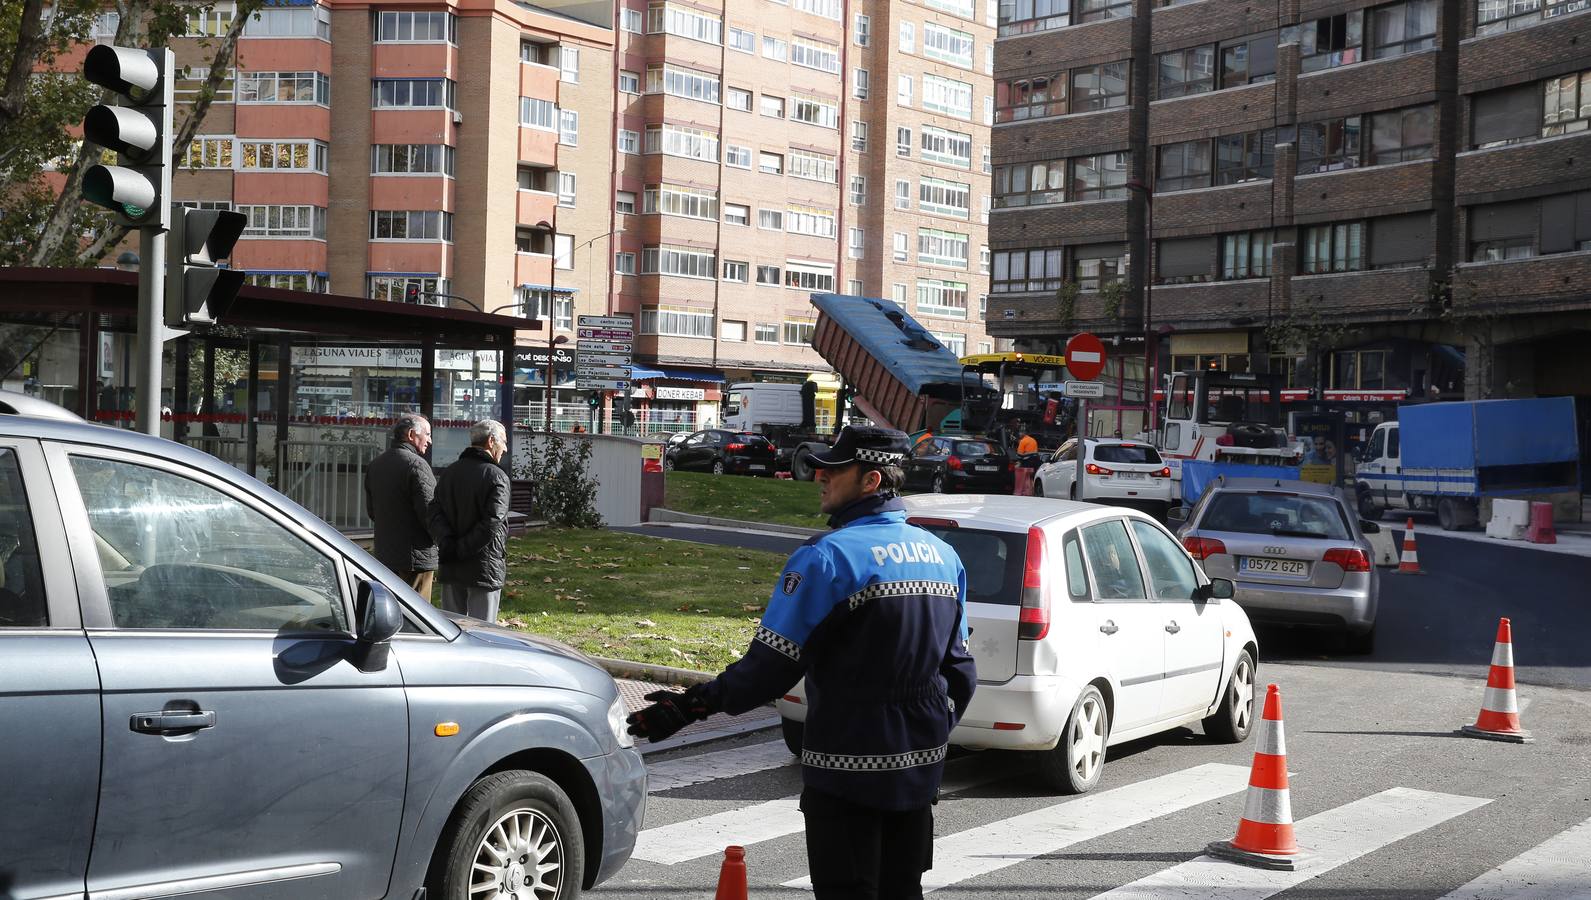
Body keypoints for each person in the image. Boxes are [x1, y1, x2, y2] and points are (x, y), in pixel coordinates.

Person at [626, 426, 977, 900]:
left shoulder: (826, 558)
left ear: (871, 480)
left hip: (846, 762)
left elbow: (770, 667)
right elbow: (960, 670)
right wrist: (932, 726)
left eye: (834, 469)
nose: (820, 477)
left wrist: (690, 707)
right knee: (902, 889)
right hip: (919, 765)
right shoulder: (943, 556)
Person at [427, 419, 511, 623]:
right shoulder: (497, 476)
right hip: (484, 568)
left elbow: (434, 513)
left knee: (453, 629)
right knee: (482, 632)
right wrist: (461, 549)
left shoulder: (449, 473)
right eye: (504, 442)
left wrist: (449, 544)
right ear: (491, 441)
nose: (505, 449)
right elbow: (492, 522)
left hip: (452, 564)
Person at [363, 413, 438, 602]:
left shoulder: (376, 464)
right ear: (412, 435)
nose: (430, 440)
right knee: (417, 617)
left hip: (385, 554)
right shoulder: (417, 465)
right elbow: (431, 514)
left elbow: (372, 512)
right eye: (427, 434)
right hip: (415, 558)